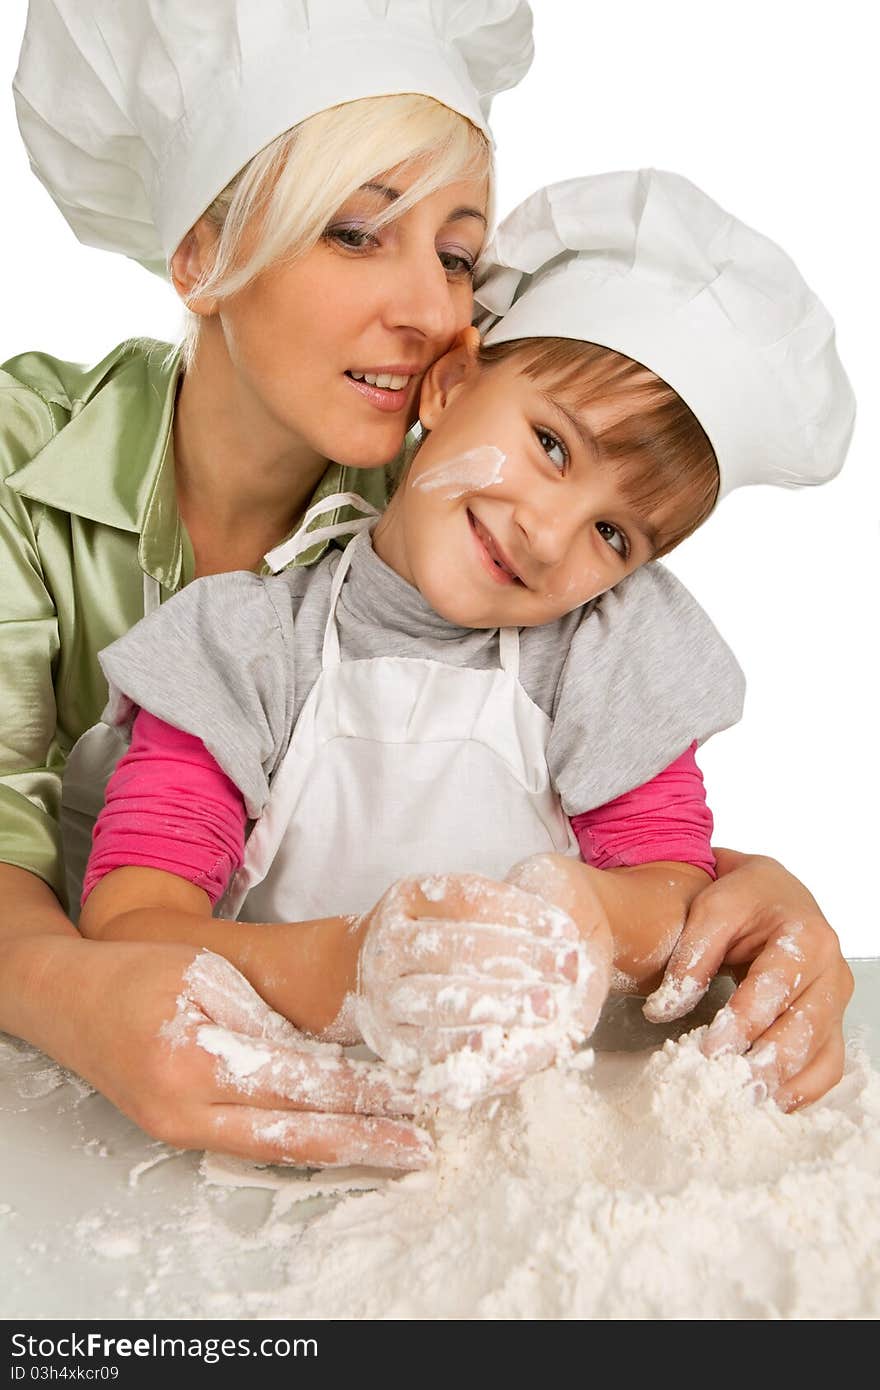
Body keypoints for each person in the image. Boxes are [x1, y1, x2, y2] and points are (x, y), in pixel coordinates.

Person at [77, 170, 856, 1115]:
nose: (548, 534)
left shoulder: (603, 654)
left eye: (615, 536)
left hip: (524, 1139)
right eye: (552, 446)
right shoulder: (243, 646)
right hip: (268, 1108)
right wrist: (350, 971)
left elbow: (669, 886)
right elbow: (130, 928)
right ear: (448, 385)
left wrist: (589, 917)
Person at [1, 0, 534, 1169]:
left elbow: (590, 778)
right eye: (355, 232)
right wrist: (79, 995)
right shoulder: (18, 458)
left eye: (456, 253)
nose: (433, 311)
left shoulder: (468, 511)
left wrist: (742, 898)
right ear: (200, 256)